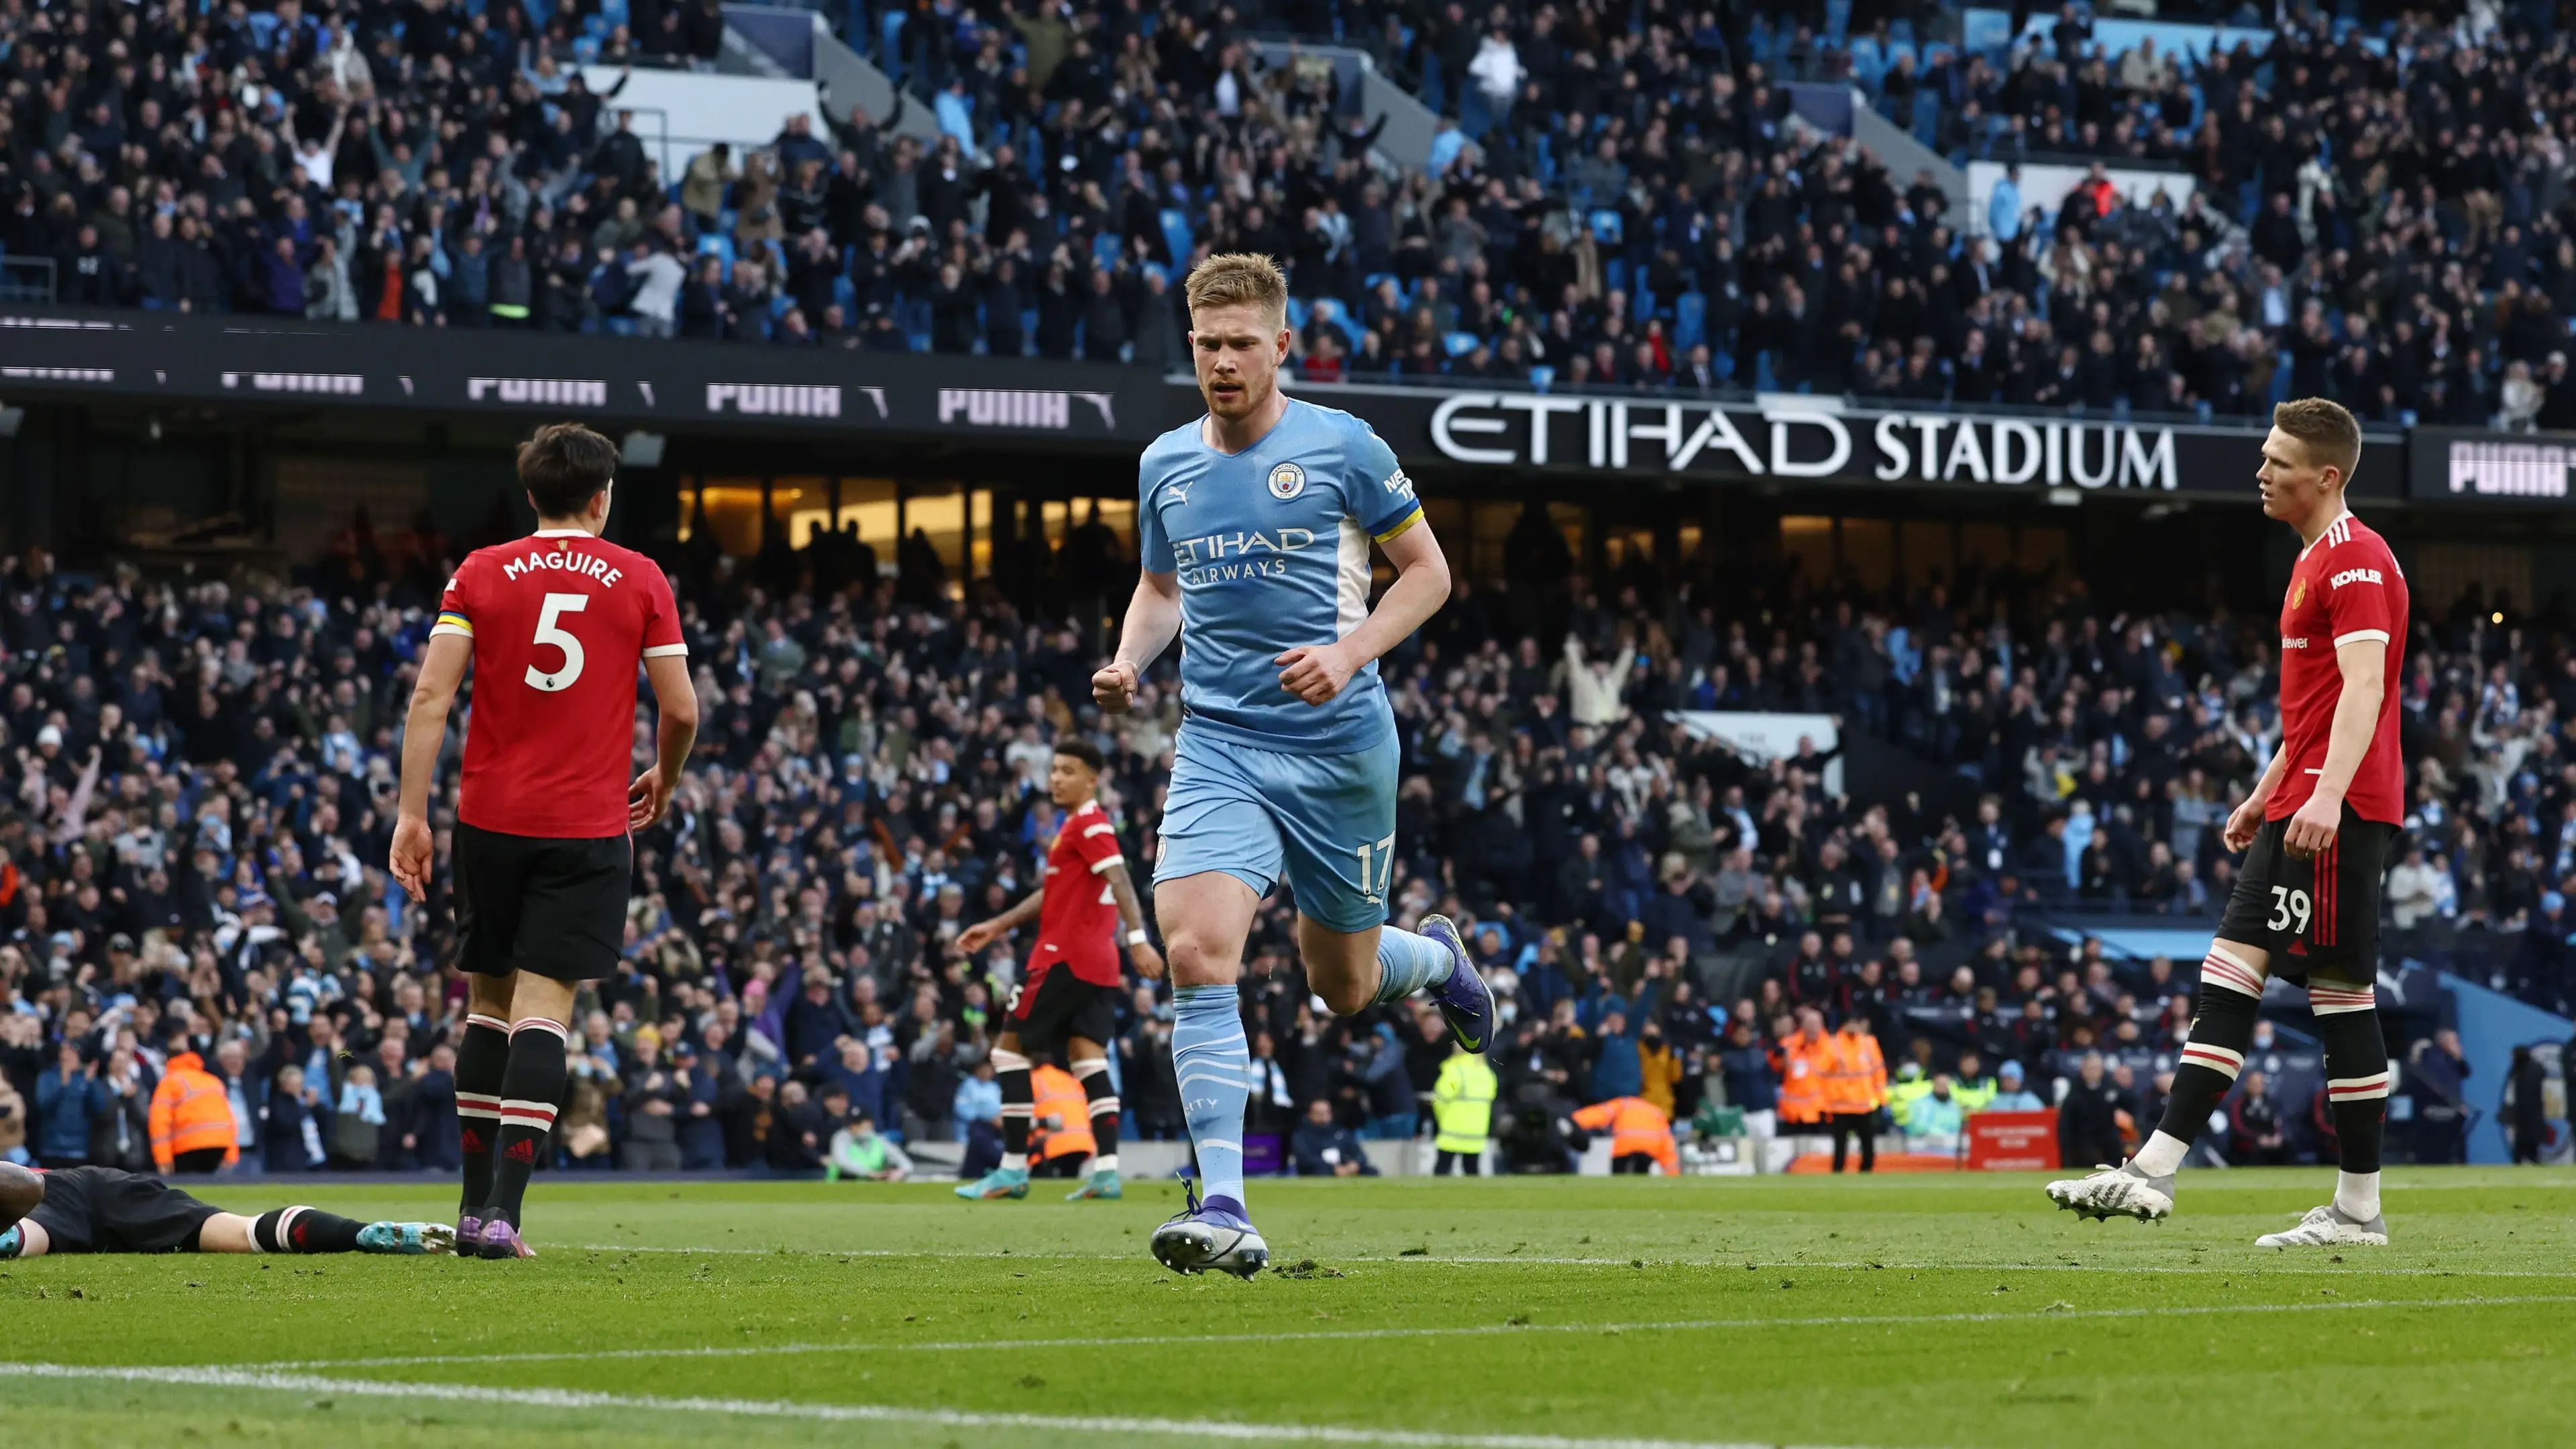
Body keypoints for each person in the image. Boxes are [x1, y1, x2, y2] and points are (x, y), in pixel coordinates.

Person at [1097, 252, 1490, 1277]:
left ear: (1281, 347)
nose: (1223, 362)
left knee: (1344, 989)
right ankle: (1224, 1202)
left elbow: (1430, 575)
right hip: (1221, 744)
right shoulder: (1164, 465)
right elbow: (1160, 588)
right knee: (1194, 950)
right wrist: (1131, 659)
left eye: (1242, 344)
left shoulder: (1344, 448)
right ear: (1191, 346)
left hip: (1340, 752)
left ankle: (1440, 962)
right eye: (1207, 345)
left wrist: (1350, 651)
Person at [2051, 398, 2407, 1249]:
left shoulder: (2353, 561)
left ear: (2325, 476)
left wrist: (2322, 796)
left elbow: (2365, 689)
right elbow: (2316, 712)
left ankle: (2181, 1174)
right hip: (2308, 796)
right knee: (2287, 981)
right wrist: (2267, 789)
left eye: (2278, 460)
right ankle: (2187, 1174)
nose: (2261, 471)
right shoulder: (2316, 560)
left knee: (2301, 985)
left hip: (2336, 807)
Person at [390, 422, 700, 1260]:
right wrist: (664, 778)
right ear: (603, 496)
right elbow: (680, 710)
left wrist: (412, 814)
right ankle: (503, 1219)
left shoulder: (481, 571)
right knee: (545, 1017)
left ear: (532, 496)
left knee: (487, 1009)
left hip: (489, 822)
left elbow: (430, 695)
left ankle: (467, 1211)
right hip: (585, 829)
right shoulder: (639, 578)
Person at [953, 740, 1164, 1203]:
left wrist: (1138, 939)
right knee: (1089, 1061)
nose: (1057, 779)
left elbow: (1122, 880)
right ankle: (1107, 1172)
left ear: (1092, 780)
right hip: (1097, 966)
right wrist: (997, 925)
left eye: (1069, 771)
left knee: (1008, 1054)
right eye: (1055, 770)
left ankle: (1011, 1169)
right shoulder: (1077, 828)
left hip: (1062, 958)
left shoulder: (1089, 824)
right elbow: (1053, 894)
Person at [0, 1160, 449, 1258]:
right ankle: (359, 1233)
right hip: (103, 1186)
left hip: (55, 1194)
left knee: (21, 1237)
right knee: (243, 1234)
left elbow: (29, 1186)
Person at [147, 1049, 239, 1175]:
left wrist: (163, 1160)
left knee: (186, 1191)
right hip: (220, 1144)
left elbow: (159, 1123)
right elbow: (229, 1120)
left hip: (187, 1146)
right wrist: (231, 1154)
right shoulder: (213, 1081)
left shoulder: (169, 1082)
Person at [1823, 1012, 1885, 1173]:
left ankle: (1867, 1169)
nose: (1852, 1027)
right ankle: (1838, 1169)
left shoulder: (1869, 1043)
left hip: (1864, 1103)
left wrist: (1880, 1097)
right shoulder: (1832, 1044)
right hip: (1841, 1104)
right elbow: (1822, 1072)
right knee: (1840, 1143)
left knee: (1867, 1141)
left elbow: (1878, 1071)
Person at [1430, 1041, 1498, 1174]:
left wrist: (1442, 1120)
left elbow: (1439, 1100)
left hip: (1451, 1132)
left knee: (1442, 1171)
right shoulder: (1487, 1073)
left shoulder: (1455, 1070)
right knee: (1472, 1173)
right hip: (1477, 1134)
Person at [1571, 1095, 1678, 1175]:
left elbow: (1599, 1114)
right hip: (1649, 1148)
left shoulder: (1623, 1104)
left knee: (1619, 1175)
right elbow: (1667, 1144)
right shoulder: (1656, 1112)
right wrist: (1673, 1174)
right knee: (1641, 1173)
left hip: (1625, 1146)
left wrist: (1571, 1120)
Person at [1289, 1099, 1377, 1177]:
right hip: (1319, 1170)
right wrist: (1332, 1169)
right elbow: (1306, 1159)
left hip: (1344, 1168)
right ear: (1310, 1115)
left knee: (1371, 1172)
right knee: (1321, 1173)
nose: (1323, 1116)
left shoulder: (1341, 1133)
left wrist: (1354, 1164)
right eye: (1319, 1113)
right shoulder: (1301, 1135)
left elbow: (1360, 1154)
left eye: (1325, 1113)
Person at [825, 1112, 914, 1181]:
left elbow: (905, 1163)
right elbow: (843, 1162)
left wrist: (899, 1172)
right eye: (853, 1124)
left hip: (870, 1187)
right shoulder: (841, 1137)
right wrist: (869, 1173)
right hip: (841, 1185)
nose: (854, 1128)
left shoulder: (879, 1140)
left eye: (859, 1124)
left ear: (871, 1124)